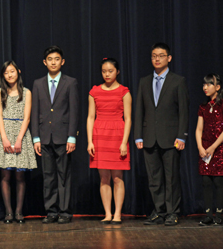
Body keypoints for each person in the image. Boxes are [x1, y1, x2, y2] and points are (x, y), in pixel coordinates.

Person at [135, 42, 189, 226]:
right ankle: (159, 211)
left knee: (171, 177)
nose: (157, 59)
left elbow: (183, 111)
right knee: (154, 178)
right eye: (154, 56)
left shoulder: (178, 81)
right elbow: (139, 111)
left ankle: (172, 212)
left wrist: (181, 135)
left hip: (171, 138)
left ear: (169, 58)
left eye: (161, 55)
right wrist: (138, 135)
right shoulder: (144, 81)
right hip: (149, 137)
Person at [31, 45, 79, 224]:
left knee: (64, 175)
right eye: (50, 59)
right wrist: (35, 137)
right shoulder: (38, 83)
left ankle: (65, 211)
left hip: (63, 136)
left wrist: (72, 136)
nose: (53, 62)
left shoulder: (70, 82)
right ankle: (51, 211)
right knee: (48, 175)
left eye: (57, 59)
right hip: (44, 136)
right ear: (45, 62)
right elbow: (35, 112)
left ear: (62, 61)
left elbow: (74, 111)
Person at [0, 60, 37, 224]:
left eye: (12, 71)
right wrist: (4, 138)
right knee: (5, 175)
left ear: (18, 72)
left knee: (20, 176)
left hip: (21, 134)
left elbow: (27, 117)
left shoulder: (27, 92)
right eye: (6, 72)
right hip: (4, 132)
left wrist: (18, 139)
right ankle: (8, 212)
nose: (9, 75)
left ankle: (19, 211)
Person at [87, 58, 131, 225]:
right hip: (99, 135)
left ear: (117, 72)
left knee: (117, 178)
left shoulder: (124, 92)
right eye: (104, 71)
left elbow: (128, 119)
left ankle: (118, 214)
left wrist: (124, 142)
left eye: (110, 71)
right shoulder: (94, 92)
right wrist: (90, 141)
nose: (107, 74)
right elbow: (90, 117)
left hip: (117, 135)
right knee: (104, 177)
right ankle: (107, 213)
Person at [195, 74, 223, 226]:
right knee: (206, 181)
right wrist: (200, 147)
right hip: (205, 150)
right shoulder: (203, 107)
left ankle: (219, 214)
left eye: (209, 84)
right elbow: (198, 129)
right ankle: (208, 214)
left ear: (217, 87)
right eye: (204, 84)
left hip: (218, 148)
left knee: (218, 181)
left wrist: (213, 147)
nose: (205, 87)